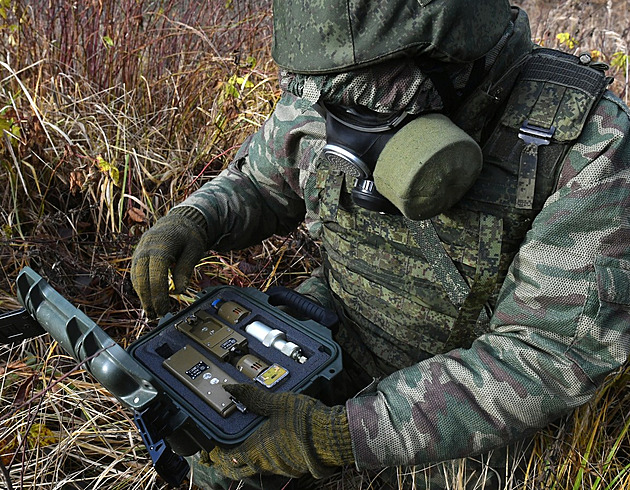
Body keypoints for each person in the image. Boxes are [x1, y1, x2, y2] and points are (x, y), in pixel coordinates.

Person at [130, 1, 630, 488]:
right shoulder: (333, 83)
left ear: (452, 59)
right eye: (330, 97)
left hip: (468, 403)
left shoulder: (583, 143)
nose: (338, 123)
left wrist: (338, 437)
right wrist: (194, 218)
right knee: (226, 449)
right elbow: (261, 183)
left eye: (367, 99)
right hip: (337, 328)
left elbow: (543, 356)